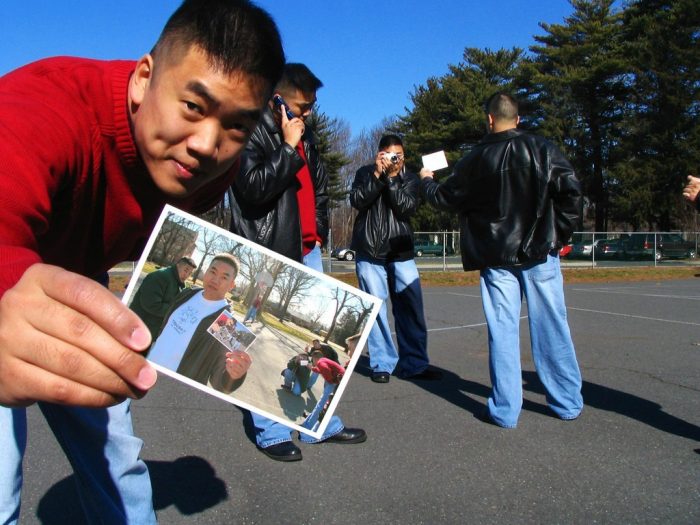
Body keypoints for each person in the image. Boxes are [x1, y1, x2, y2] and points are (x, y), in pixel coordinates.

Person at [0, 1, 284, 522]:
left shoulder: (212, 169)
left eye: (236, 127)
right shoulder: (42, 107)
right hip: (11, 280)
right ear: (142, 78)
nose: (205, 144)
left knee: (118, 458)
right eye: (194, 107)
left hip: (80, 283)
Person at [420, 92, 584, 428]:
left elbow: (446, 198)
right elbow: (572, 192)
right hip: (540, 253)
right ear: (518, 119)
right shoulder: (542, 149)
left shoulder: (474, 159)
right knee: (552, 325)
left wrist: (425, 182)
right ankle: (566, 402)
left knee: (502, 330)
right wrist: (558, 236)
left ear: (490, 119)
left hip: (496, 257)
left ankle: (505, 410)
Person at [230, 63, 366, 461]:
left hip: (307, 249)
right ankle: (270, 429)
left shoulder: (304, 135)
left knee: (316, 346)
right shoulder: (249, 130)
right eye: (302, 106)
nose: (308, 114)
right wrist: (288, 148)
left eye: (311, 107)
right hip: (269, 251)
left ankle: (317, 424)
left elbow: (318, 190)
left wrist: (319, 231)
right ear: (275, 99)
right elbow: (252, 190)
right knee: (253, 337)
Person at [350, 134, 441, 384]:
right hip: (369, 250)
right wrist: (378, 176)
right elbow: (357, 200)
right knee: (375, 309)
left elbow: (406, 208)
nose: (394, 160)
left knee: (410, 308)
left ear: (404, 157)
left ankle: (415, 363)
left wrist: (391, 179)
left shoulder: (410, 178)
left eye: (398, 156)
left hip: (400, 252)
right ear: (378, 155)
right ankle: (382, 362)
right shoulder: (364, 173)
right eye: (389, 155)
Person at [149, 254, 251, 393]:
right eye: (213, 272)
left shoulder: (226, 323)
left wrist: (234, 375)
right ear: (206, 271)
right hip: (145, 371)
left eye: (224, 277)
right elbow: (164, 330)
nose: (215, 280)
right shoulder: (187, 293)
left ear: (231, 285)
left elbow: (219, 381)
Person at [130, 256, 196, 337]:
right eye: (186, 270)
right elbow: (151, 304)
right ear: (178, 265)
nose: (187, 275)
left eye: (190, 273)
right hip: (137, 328)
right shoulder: (160, 277)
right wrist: (175, 310)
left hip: (149, 331)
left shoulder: (178, 283)